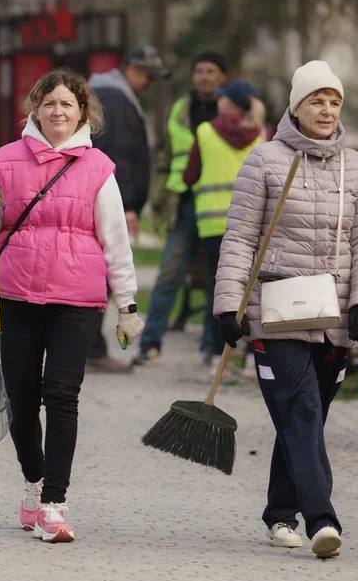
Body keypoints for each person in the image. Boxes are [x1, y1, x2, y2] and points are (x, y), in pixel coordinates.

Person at [213, 59, 358, 559]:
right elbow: (241, 237)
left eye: (334, 101)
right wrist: (229, 306)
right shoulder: (264, 161)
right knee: (303, 408)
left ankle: (279, 513)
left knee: (304, 419)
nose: (327, 110)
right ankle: (322, 520)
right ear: (296, 106)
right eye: (316, 100)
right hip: (278, 311)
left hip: (334, 319)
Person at [0, 69, 142, 543]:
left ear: (82, 111)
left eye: (67, 104)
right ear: (35, 110)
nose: (58, 112)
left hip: (77, 300)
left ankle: (54, 503)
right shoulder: (4, 161)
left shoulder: (99, 169)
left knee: (62, 397)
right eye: (49, 104)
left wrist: (126, 305)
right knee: (22, 401)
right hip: (17, 294)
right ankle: (33, 481)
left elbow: (116, 241)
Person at [133, 51, 229, 365]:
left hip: (220, 210)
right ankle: (150, 345)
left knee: (219, 280)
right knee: (168, 275)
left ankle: (212, 349)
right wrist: (159, 202)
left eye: (210, 71)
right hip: (184, 205)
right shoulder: (179, 110)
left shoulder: (231, 114)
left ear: (222, 77)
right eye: (199, 70)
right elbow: (165, 158)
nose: (203, 76)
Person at [87, 45, 170, 372]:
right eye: (147, 76)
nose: (149, 83)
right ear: (131, 70)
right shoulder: (117, 100)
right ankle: (92, 350)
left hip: (109, 199)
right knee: (103, 277)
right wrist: (127, 205)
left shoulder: (108, 93)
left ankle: (88, 347)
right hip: (114, 202)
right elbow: (119, 156)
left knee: (98, 275)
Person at [181, 79, 267, 371]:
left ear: (228, 103)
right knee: (253, 291)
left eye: (222, 98)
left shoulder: (205, 132)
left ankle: (218, 356)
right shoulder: (261, 134)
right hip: (253, 225)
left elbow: (189, 176)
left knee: (219, 291)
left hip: (213, 225)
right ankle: (254, 357)